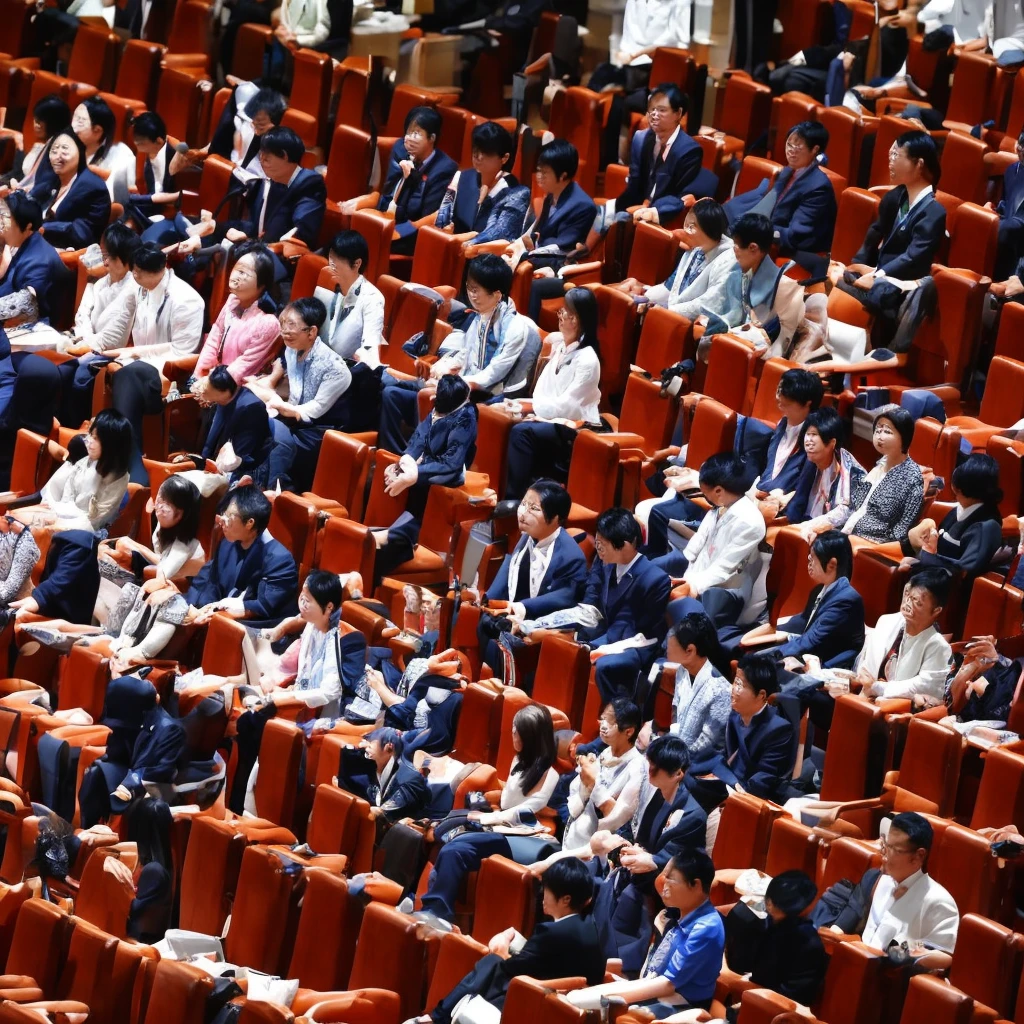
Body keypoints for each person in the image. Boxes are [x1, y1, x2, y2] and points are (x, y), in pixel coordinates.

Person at [377, 254, 539, 455]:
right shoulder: (481, 315)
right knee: (389, 390)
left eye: (475, 290)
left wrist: (454, 383)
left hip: (488, 395)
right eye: (469, 287)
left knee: (408, 392)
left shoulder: (517, 328)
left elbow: (494, 373)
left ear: (497, 295)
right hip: (464, 385)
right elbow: (467, 352)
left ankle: (416, 460)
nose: (470, 294)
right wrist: (448, 363)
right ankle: (392, 455)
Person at [415, 704, 559, 923]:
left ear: (529, 737)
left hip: (520, 836)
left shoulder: (551, 774)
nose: (512, 733)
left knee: (457, 848)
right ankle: (421, 898)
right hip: (500, 823)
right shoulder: (519, 759)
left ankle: (437, 914)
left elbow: (526, 810)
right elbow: (508, 799)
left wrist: (487, 817)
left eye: (516, 731)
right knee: (451, 821)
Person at [421, 856, 605, 1024]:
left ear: (565, 899)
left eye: (547, 890)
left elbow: (511, 968)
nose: (542, 896)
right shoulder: (592, 927)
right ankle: (438, 1015)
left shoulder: (550, 932)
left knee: (491, 963)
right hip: (565, 1000)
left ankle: (437, 1016)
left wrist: (501, 949)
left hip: (534, 1001)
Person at [822, 131, 945, 367]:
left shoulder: (934, 212)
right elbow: (873, 235)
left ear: (919, 164)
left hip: (900, 289)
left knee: (835, 279)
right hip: (878, 276)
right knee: (833, 272)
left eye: (897, 155)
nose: (890, 160)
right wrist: (855, 267)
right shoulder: (896, 197)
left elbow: (913, 256)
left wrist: (877, 275)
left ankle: (857, 356)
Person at [525, 507, 671, 706]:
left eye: (603, 544)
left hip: (637, 643)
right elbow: (591, 600)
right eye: (598, 542)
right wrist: (545, 625)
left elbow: (630, 627)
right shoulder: (604, 561)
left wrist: (593, 645)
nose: (598, 548)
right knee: (555, 642)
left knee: (604, 663)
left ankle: (616, 719)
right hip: (606, 629)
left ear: (625, 546)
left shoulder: (654, 579)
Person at [587, 734, 707, 973]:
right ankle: (594, 951)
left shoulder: (693, 815)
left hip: (666, 882)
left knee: (628, 897)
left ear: (678, 774)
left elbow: (672, 858)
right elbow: (639, 837)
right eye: (650, 765)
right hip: (639, 870)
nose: (649, 771)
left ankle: (618, 965)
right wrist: (625, 848)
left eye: (656, 768)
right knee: (592, 874)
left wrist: (644, 858)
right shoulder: (657, 794)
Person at [569, 851, 724, 1016]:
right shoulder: (680, 915)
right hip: (658, 987)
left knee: (590, 1006)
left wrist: (605, 996)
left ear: (696, 885)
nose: (663, 885)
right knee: (576, 998)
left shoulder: (706, 927)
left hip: (683, 1003)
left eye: (670, 879)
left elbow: (668, 984)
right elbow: (654, 979)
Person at [105, 241, 205, 482]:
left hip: (169, 377)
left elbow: (182, 353)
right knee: (98, 369)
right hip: (138, 367)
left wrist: (137, 354)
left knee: (131, 371)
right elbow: (117, 318)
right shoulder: (139, 286)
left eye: (136, 271)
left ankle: (129, 464)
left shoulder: (187, 300)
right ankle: (119, 455)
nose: (132, 274)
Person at [473, 479, 588, 679]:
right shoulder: (527, 534)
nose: (523, 512)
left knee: (498, 638)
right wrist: (488, 602)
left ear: (555, 519)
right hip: (513, 613)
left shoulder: (571, 557)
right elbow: (509, 568)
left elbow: (564, 599)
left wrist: (518, 609)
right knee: (474, 616)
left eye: (533, 508)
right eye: (524, 503)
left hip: (539, 627)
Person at [372, 374, 478, 582]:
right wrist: (404, 462)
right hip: (423, 475)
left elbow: (451, 464)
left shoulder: (466, 416)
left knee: (393, 540)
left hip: (445, 478)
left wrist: (416, 474)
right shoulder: (437, 407)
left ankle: (397, 539)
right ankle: (386, 536)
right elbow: (418, 439)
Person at [180, 127, 327, 270]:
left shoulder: (310, 183)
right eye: (261, 155)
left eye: (266, 157)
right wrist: (216, 227)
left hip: (282, 261)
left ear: (284, 156)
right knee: (195, 244)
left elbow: (300, 233)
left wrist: (251, 242)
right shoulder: (271, 181)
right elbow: (254, 226)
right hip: (257, 250)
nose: (261, 161)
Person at [503, 287, 602, 500]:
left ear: (574, 319)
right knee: (498, 406)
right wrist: (523, 406)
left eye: (563, 311)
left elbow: (569, 406)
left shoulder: (588, 359)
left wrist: (532, 410)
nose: (560, 314)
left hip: (574, 430)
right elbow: (543, 391)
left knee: (522, 432)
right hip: (551, 420)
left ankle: (514, 499)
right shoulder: (561, 347)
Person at [246, 297, 352, 491]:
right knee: (251, 420)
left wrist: (286, 408)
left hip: (320, 429)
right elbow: (295, 394)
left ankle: (273, 492)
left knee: (275, 443)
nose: (285, 331)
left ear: (312, 331)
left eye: (291, 325)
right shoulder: (290, 350)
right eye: (283, 324)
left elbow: (317, 408)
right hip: (293, 416)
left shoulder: (336, 368)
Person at [659, 452, 768, 632]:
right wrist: (679, 573)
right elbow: (696, 544)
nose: (703, 494)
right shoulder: (720, 506)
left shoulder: (750, 522)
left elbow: (724, 570)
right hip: (697, 574)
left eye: (704, 490)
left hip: (726, 591)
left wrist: (690, 585)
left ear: (718, 490)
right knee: (652, 572)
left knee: (685, 611)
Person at [588, 84, 704, 240]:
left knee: (621, 220)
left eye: (662, 110)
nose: (654, 115)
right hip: (639, 203)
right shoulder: (640, 138)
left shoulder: (689, 151)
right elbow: (634, 184)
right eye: (652, 109)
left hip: (664, 213)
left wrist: (650, 210)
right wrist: (618, 206)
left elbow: (682, 196)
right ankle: (583, 251)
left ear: (678, 114)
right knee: (599, 212)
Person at [57, 221, 141, 426]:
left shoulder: (133, 289)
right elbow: (81, 315)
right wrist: (82, 341)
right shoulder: (100, 280)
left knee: (79, 376)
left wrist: (85, 345)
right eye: (105, 255)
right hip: (84, 342)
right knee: (58, 366)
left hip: (109, 351)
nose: (105, 262)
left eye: (109, 257)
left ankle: (80, 426)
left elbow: (114, 338)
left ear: (124, 260)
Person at [344, 107, 459, 256]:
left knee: (364, 243)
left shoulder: (444, 169)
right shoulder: (401, 149)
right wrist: (403, 178)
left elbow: (427, 217)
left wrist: (397, 231)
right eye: (408, 132)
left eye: (416, 133)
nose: (409, 138)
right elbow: (388, 197)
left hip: (414, 234)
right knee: (355, 233)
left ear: (432, 138)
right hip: (390, 220)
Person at [746, 529, 866, 670]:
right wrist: (772, 631)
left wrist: (770, 655)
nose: (808, 562)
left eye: (813, 558)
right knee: (749, 648)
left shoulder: (846, 600)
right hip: (809, 652)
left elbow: (810, 641)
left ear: (831, 564)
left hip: (827, 666)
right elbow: (803, 620)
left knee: (755, 662)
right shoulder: (819, 589)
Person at [184, 484, 298, 628]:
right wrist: (196, 608)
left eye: (229, 517)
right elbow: (211, 582)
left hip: (255, 630)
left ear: (250, 523)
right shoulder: (227, 544)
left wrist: (215, 614)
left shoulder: (279, 560)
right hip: (219, 616)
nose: (222, 521)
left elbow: (263, 607)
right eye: (224, 513)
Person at [616, 198, 742, 327]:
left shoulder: (730, 260)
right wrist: (645, 296)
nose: (686, 231)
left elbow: (709, 304)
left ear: (709, 229)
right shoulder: (696, 249)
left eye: (691, 227)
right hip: (673, 317)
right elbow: (671, 288)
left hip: (702, 328)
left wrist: (663, 310)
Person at [511, 139, 598, 322]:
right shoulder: (552, 194)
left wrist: (529, 252)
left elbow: (563, 248)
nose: (539, 176)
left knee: (531, 285)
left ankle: (528, 330)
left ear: (563, 175)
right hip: (541, 257)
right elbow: (538, 231)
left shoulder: (582, 205)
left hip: (564, 270)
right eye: (539, 170)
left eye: (545, 172)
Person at [724, 121, 838, 262]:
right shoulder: (786, 172)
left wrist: (753, 230)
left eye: (797, 146)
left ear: (815, 150)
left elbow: (796, 235)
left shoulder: (819, 187)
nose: (791, 150)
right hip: (765, 233)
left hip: (791, 248)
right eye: (789, 144)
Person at [693, 654, 794, 807]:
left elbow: (761, 782)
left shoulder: (779, 729)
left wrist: (728, 784)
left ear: (761, 695)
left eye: (741, 685)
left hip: (748, 799)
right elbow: (722, 753)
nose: (734, 689)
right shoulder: (735, 713)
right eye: (735, 681)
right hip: (727, 782)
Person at [12, 409, 132, 534]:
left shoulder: (118, 478)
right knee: (12, 519)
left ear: (111, 445)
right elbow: (66, 497)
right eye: (91, 435)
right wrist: (52, 514)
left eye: (96, 439)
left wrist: (55, 523)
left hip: (85, 531)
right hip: (61, 514)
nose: (89, 442)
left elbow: (94, 521)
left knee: (27, 528)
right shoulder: (85, 460)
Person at [724, 870, 827, 1012]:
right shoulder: (758, 918)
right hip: (753, 992)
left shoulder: (806, 942)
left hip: (777, 1011)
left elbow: (790, 999)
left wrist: (740, 986)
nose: (768, 907)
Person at [858, 811, 959, 953]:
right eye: (885, 845)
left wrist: (900, 951)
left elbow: (942, 953)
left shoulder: (939, 902)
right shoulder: (879, 880)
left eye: (893, 849)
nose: (883, 854)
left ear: (918, 856)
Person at [849, 567, 953, 705]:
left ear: (936, 611)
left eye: (917, 602)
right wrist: (866, 683)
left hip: (893, 711)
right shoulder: (886, 621)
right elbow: (866, 671)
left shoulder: (939, 648)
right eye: (907, 595)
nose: (907, 604)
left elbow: (920, 687)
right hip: (863, 698)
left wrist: (875, 687)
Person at [898, 452, 1005, 579]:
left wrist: (924, 560)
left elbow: (964, 571)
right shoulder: (961, 508)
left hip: (949, 590)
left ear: (962, 489)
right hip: (933, 575)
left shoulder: (987, 527)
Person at [190, 243, 281, 394]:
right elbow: (214, 339)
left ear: (262, 285)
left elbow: (246, 364)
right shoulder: (232, 300)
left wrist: (212, 384)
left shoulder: (268, 322)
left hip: (240, 390)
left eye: (244, 273)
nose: (236, 276)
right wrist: (199, 375)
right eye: (237, 269)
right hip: (214, 380)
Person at [562, 698, 645, 854]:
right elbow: (575, 799)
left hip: (598, 850)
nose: (603, 726)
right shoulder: (604, 753)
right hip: (574, 834)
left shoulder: (637, 767)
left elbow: (617, 819)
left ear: (629, 731)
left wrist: (594, 782)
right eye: (604, 719)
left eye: (611, 722)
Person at [723, 212, 807, 361]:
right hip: (739, 343)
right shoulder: (744, 272)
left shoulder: (786, 288)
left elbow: (781, 344)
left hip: (762, 355)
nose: (733, 249)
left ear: (753, 248)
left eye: (736, 244)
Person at [434, 121, 532, 248]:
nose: (479, 156)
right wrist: (446, 234)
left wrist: (462, 239)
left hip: (484, 260)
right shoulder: (461, 178)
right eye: (476, 149)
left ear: (504, 158)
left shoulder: (517, 193)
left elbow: (499, 235)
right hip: (451, 251)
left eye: (487, 152)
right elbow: (441, 221)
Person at [102, 473, 205, 584]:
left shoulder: (184, 544)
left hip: (177, 582)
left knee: (123, 544)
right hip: (160, 564)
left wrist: (137, 547)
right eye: (160, 499)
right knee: (120, 546)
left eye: (166, 505)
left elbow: (165, 572)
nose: (159, 507)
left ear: (180, 514)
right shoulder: (165, 521)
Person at [842, 406, 924, 545]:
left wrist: (881, 547)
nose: (880, 436)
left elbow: (902, 529)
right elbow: (856, 506)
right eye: (878, 430)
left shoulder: (912, 477)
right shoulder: (879, 465)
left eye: (887, 431)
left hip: (876, 544)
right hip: (849, 533)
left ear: (904, 436)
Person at [786, 407, 867, 537]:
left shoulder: (852, 472)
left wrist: (805, 527)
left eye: (815, 435)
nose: (808, 441)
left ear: (832, 442)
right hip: (806, 521)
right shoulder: (809, 459)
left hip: (835, 533)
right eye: (808, 434)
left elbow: (844, 512)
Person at [665, 612, 732, 767]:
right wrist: (672, 740)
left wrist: (674, 760)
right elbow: (676, 705)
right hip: (678, 751)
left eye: (670, 646)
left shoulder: (720, 689)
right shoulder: (682, 670)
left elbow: (707, 742)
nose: (666, 650)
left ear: (690, 651)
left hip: (701, 763)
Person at [0, 191, 74, 328]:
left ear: (27, 226)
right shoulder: (23, 243)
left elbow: (23, 305)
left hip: (36, 329)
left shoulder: (40, 262)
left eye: (5, 220)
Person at [30, 128, 111, 250]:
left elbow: (82, 234)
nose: (58, 156)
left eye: (65, 150)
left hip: (69, 252)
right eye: (54, 150)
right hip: (39, 242)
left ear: (80, 152)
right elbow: (31, 201)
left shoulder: (92, 187)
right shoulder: (52, 180)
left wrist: (42, 227)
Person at [314, 230, 386, 365]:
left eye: (338, 260)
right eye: (331, 258)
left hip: (347, 371)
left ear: (357, 263)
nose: (332, 265)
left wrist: (364, 355)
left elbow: (370, 347)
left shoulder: (373, 298)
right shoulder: (326, 283)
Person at [200, 366, 273, 485]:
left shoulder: (251, 408)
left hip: (244, 471)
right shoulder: (222, 400)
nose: (203, 391)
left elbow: (241, 455)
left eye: (208, 389)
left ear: (224, 391)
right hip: (218, 465)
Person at [338, 726, 429, 823]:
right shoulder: (376, 765)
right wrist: (353, 749)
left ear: (388, 748)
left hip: (396, 831)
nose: (366, 751)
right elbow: (344, 779)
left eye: (370, 747)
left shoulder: (409, 780)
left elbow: (382, 813)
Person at [2, 93, 70, 195]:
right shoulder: (53, 142)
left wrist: (13, 188)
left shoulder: (56, 152)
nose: (35, 125)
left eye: (37, 121)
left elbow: (35, 189)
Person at [71, 96, 137, 199]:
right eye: (74, 118)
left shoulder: (122, 155)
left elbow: (119, 200)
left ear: (97, 130)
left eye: (80, 122)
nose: (73, 126)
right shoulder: (65, 143)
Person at [128, 112, 181, 225]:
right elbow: (141, 185)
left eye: (140, 144)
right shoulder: (143, 152)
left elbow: (182, 195)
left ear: (158, 141)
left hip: (172, 213)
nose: (137, 147)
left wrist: (153, 199)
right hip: (150, 205)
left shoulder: (179, 155)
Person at [996, 128, 1024, 279]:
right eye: (1021, 142)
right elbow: (1005, 206)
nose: (1022, 148)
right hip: (1007, 243)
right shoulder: (1011, 171)